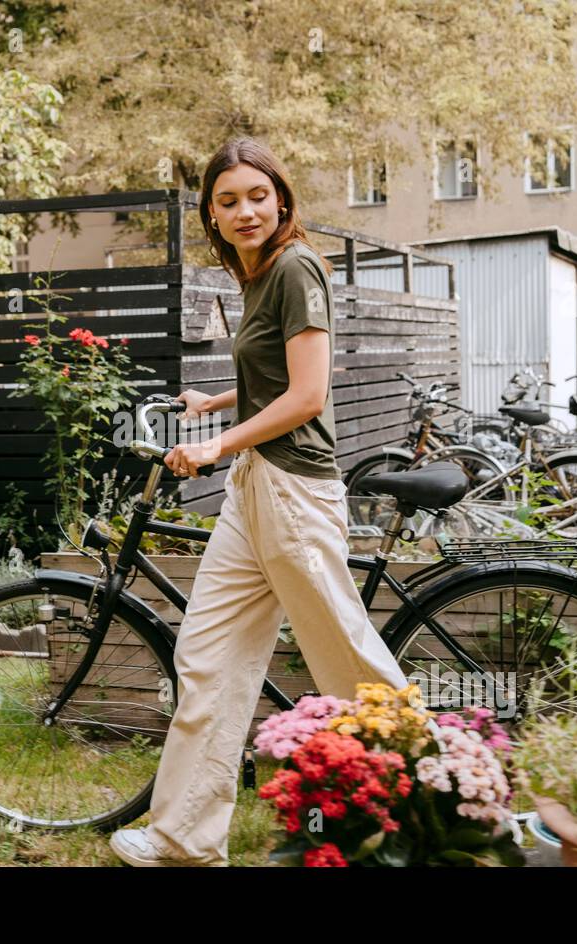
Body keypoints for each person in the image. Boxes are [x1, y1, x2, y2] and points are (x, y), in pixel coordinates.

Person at [109, 138, 420, 867]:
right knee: (209, 653)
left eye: (256, 195)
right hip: (255, 490)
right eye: (227, 201)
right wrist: (212, 402)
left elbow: (309, 395)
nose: (244, 210)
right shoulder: (257, 274)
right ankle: (186, 837)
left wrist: (216, 446)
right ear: (211, 216)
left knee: (348, 662)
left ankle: (442, 803)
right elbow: (276, 374)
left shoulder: (296, 267)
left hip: (294, 490)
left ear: (282, 199)